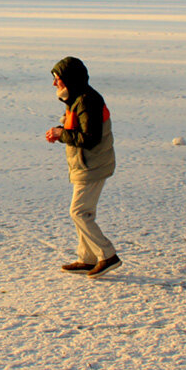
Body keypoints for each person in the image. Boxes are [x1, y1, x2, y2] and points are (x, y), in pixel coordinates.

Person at [45, 56, 122, 278]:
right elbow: (79, 127)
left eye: (57, 79)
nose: (54, 84)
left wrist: (61, 134)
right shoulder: (78, 98)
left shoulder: (87, 100)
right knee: (84, 212)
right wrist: (61, 130)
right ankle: (87, 258)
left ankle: (107, 255)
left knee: (79, 212)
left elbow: (90, 138)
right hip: (85, 165)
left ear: (69, 79)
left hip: (92, 166)